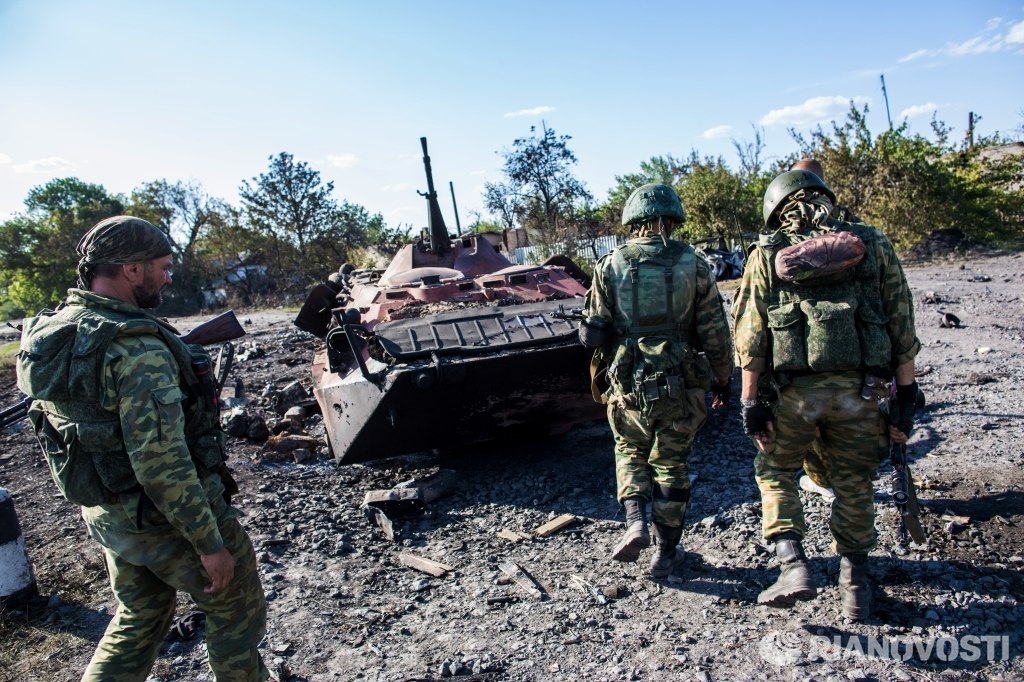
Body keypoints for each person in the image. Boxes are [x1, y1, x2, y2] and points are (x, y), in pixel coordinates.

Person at [16, 216, 269, 681]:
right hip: (165, 520)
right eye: (163, 266)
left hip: (111, 513)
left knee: (139, 617)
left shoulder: (55, 332)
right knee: (236, 614)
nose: (169, 276)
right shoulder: (135, 350)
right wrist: (208, 543)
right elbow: (162, 465)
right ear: (132, 270)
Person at [732, 170, 920, 620]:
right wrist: (907, 392)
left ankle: (792, 565)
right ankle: (854, 585)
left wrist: (750, 403)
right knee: (855, 482)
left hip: (795, 396)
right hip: (863, 392)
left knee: (776, 469)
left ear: (776, 209)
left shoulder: (767, 254)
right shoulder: (872, 243)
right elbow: (901, 322)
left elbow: (751, 337)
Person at [581, 184, 734, 578]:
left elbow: (593, 332)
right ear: (673, 218)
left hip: (628, 380)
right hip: (680, 381)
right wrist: (723, 379)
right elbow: (715, 331)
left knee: (628, 447)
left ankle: (635, 521)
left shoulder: (608, 264)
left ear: (633, 220)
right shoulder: (694, 263)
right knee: (671, 463)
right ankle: (665, 554)